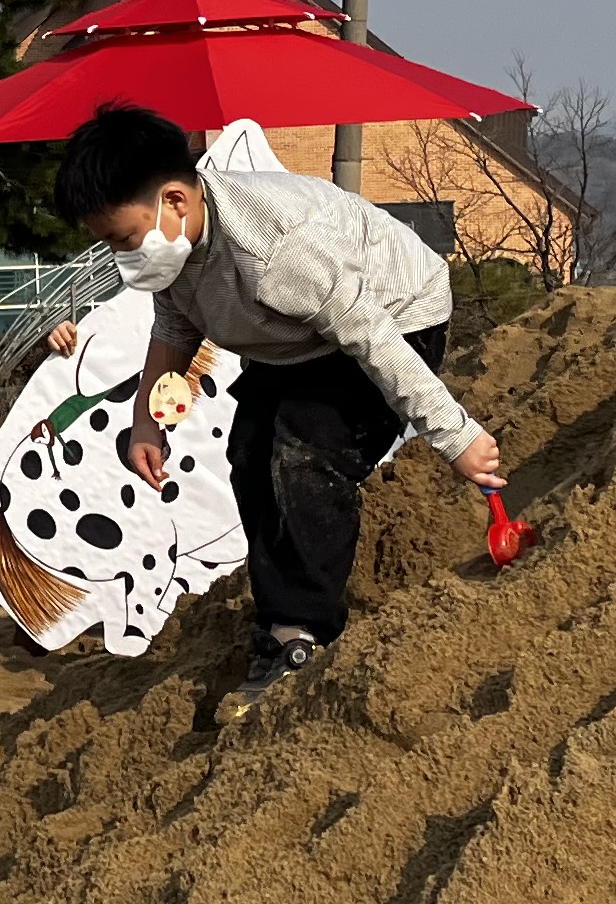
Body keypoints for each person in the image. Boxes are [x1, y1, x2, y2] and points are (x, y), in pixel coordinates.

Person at [53, 102, 506, 719]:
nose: (121, 256)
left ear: (175, 202)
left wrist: (455, 437)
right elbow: (176, 325)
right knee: (248, 453)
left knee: (304, 450)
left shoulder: (279, 249)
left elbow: (370, 337)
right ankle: (281, 612)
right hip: (294, 341)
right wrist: (145, 419)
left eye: (123, 239)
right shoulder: (176, 248)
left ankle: (301, 633)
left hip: (394, 317)